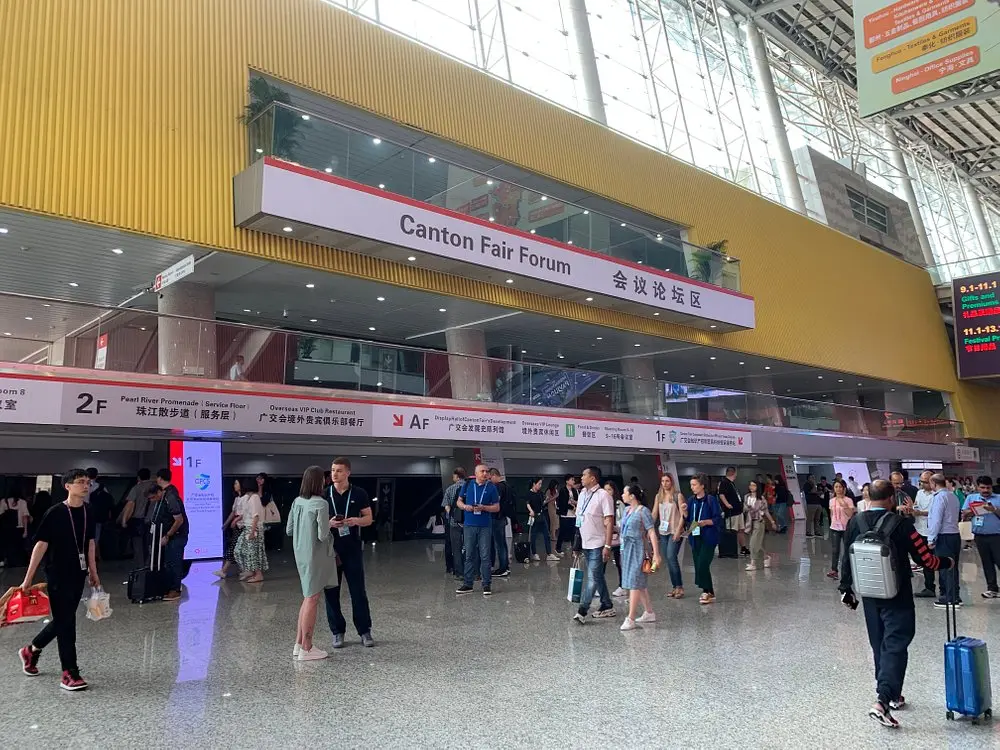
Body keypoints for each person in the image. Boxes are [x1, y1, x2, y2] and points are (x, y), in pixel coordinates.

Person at [838, 479, 955, 728]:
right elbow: (927, 560)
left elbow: (844, 557)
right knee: (896, 644)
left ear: (869, 497)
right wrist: (948, 563)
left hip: (869, 594)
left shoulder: (855, 522)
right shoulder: (902, 525)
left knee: (880, 644)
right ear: (892, 498)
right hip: (897, 594)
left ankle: (892, 693)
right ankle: (882, 700)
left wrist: (845, 588)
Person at [18, 469, 101, 691]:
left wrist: (93, 571)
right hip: (57, 573)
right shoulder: (55, 513)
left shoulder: (88, 511)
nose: (85, 486)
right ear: (68, 486)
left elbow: (90, 542)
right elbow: (41, 545)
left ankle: (31, 650)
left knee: (64, 619)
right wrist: (28, 579)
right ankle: (69, 672)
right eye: (81, 482)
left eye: (88, 482)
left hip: (78, 572)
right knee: (67, 622)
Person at [287, 465, 338, 662]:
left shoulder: (296, 502)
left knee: (307, 596)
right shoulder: (321, 504)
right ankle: (307, 648)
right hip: (315, 555)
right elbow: (322, 534)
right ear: (319, 481)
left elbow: (289, 530)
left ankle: (299, 643)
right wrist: (330, 524)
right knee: (312, 598)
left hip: (300, 553)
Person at [325, 457, 375, 646]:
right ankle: (337, 630)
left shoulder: (359, 493)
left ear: (348, 473)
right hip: (330, 550)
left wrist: (355, 521)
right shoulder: (324, 494)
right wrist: (329, 523)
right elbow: (318, 522)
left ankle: (364, 630)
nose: (334, 474)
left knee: (358, 591)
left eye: (338, 470)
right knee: (331, 591)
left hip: (352, 547)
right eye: (332, 470)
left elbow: (369, 518)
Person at [571, 466, 616, 624]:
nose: (581, 477)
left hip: (598, 543)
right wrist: (576, 546)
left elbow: (609, 521)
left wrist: (608, 546)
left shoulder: (603, 496)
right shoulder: (582, 494)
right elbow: (579, 520)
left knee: (592, 578)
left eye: (584, 475)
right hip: (585, 542)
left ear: (593, 478)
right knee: (597, 577)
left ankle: (582, 611)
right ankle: (607, 605)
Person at [618, 484, 662, 631]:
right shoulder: (627, 510)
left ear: (632, 496)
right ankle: (649, 612)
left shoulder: (643, 511)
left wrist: (656, 554)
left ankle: (630, 618)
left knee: (634, 582)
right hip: (627, 549)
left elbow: (651, 533)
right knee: (639, 582)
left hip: (639, 550)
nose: (622, 495)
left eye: (624, 493)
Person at [456, 464, 500, 597]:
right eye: (482, 471)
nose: (485, 474)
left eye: (487, 472)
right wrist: (464, 507)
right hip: (469, 525)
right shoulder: (468, 485)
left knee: (485, 555)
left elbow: (497, 507)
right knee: (469, 554)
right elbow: (459, 501)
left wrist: (484, 508)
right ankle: (468, 583)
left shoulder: (491, 487)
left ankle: (486, 584)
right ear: (476, 473)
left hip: (485, 526)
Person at [961, 475, 1000, 599]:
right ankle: (992, 588)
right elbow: (964, 514)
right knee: (986, 562)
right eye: (982, 487)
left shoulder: (998, 498)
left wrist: (993, 509)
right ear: (977, 487)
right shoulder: (971, 498)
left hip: (997, 535)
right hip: (979, 536)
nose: (985, 490)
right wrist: (974, 510)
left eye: (988, 488)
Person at [152, 469, 188, 602]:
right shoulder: (167, 494)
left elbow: (179, 519)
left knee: (174, 562)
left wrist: (168, 535)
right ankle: (170, 587)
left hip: (176, 535)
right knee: (169, 561)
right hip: (172, 534)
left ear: (159, 478)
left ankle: (175, 589)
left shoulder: (170, 496)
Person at [687, 473, 723, 605]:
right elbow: (688, 518)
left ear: (702, 486)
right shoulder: (691, 500)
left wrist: (706, 522)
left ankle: (706, 592)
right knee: (698, 564)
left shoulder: (710, 500)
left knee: (703, 563)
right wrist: (685, 512)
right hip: (695, 537)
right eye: (691, 485)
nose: (692, 487)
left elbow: (718, 518)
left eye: (695, 485)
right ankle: (708, 591)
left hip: (708, 537)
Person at [927, 473, 962, 609]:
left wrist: (931, 538)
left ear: (934, 484)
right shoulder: (953, 496)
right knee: (953, 567)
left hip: (944, 536)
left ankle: (950, 598)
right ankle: (955, 595)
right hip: (954, 535)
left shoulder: (939, 497)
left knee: (945, 567)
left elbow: (936, 519)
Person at [652, 472, 686, 598]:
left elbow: (683, 515)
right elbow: (655, 513)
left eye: (667, 481)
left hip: (675, 531)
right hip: (663, 531)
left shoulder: (678, 496)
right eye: (662, 481)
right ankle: (674, 586)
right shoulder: (658, 496)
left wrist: (678, 530)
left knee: (672, 557)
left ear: (671, 482)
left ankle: (679, 587)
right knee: (668, 559)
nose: (665, 483)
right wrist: (648, 527)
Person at [119, 469, 157, 566]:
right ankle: (151, 565)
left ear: (139, 477)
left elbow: (130, 505)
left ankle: (141, 567)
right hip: (154, 521)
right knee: (151, 544)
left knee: (138, 546)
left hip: (138, 521)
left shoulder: (136, 488)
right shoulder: (157, 487)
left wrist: (124, 521)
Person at [908, 470, 937, 599]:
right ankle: (929, 587)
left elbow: (934, 512)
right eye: (921, 481)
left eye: (925, 482)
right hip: (920, 530)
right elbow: (916, 506)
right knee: (925, 560)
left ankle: (942, 587)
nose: (922, 484)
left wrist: (920, 513)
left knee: (936, 559)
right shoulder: (919, 493)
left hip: (933, 531)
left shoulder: (937, 495)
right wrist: (912, 509)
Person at [233, 479, 267, 583]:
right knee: (239, 550)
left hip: (253, 528)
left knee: (253, 552)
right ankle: (250, 570)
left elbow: (255, 516)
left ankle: (258, 574)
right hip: (248, 527)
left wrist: (252, 532)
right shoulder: (249, 498)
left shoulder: (254, 498)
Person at [214, 479, 247, 579]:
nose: (234, 485)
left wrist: (235, 520)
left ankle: (224, 571)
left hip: (243, 526)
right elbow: (233, 512)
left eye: (236, 483)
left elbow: (245, 513)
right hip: (236, 526)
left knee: (234, 548)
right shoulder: (237, 498)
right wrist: (226, 524)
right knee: (237, 549)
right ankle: (243, 570)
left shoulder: (246, 498)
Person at [744, 479, 775, 572]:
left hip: (759, 522)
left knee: (753, 543)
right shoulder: (746, 497)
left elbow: (766, 511)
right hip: (750, 522)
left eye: (754, 485)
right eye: (750, 485)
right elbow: (745, 509)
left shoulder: (761, 499)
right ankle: (766, 557)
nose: (751, 487)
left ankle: (753, 563)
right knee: (758, 543)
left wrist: (772, 522)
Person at [827, 479, 855, 579]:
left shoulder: (848, 500)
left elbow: (851, 514)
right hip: (835, 527)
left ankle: (847, 569)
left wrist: (845, 506)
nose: (838, 489)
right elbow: (831, 514)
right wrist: (832, 522)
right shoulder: (832, 500)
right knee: (835, 549)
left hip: (846, 527)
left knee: (847, 548)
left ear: (844, 488)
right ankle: (834, 570)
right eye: (836, 487)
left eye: (840, 487)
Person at [442, 467, 466, 578]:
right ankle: (473, 571)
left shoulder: (450, 489)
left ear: (456, 476)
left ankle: (459, 572)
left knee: (456, 548)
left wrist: (452, 516)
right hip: (470, 522)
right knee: (470, 547)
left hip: (454, 523)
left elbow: (447, 506)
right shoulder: (470, 487)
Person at [488, 468, 513, 578]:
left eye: (489, 478)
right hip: (503, 517)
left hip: (496, 518)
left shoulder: (498, 487)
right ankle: (505, 567)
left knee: (499, 544)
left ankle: (502, 568)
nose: (489, 480)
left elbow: (495, 501)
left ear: (494, 475)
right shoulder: (507, 486)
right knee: (502, 543)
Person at [526, 477, 558, 561]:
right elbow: (527, 503)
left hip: (542, 515)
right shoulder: (529, 493)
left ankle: (549, 554)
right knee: (533, 535)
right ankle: (534, 553)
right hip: (534, 516)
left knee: (546, 535)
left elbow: (542, 503)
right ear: (534, 484)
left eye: (541, 484)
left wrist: (546, 500)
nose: (540, 485)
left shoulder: (540, 493)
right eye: (539, 484)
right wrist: (531, 511)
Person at [718, 466, 746, 556]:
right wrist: (727, 504)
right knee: (733, 530)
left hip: (738, 511)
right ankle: (730, 549)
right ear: (733, 473)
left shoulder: (731, 483)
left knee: (741, 529)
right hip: (732, 512)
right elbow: (721, 494)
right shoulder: (724, 482)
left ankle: (743, 547)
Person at [604, 481, 625, 598]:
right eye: (605, 489)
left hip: (617, 537)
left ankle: (622, 586)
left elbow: (623, 520)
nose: (607, 492)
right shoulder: (602, 503)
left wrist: (615, 527)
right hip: (605, 537)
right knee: (602, 562)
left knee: (619, 563)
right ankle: (598, 587)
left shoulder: (618, 504)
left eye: (609, 490)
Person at [555, 474, 578, 555]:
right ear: (567, 481)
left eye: (573, 480)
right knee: (563, 531)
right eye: (572, 479)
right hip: (565, 514)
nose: (573, 481)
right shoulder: (563, 490)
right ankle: (558, 548)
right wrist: (572, 507)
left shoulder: (574, 491)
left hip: (573, 515)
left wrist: (575, 506)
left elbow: (576, 500)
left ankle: (574, 550)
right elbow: (563, 503)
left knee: (573, 532)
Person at [545, 479, 560, 552]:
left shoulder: (556, 490)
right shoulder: (548, 491)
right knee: (553, 521)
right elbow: (546, 500)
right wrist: (555, 497)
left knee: (556, 521)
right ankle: (553, 535)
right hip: (550, 507)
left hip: (556, 506)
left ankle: (554, 535)